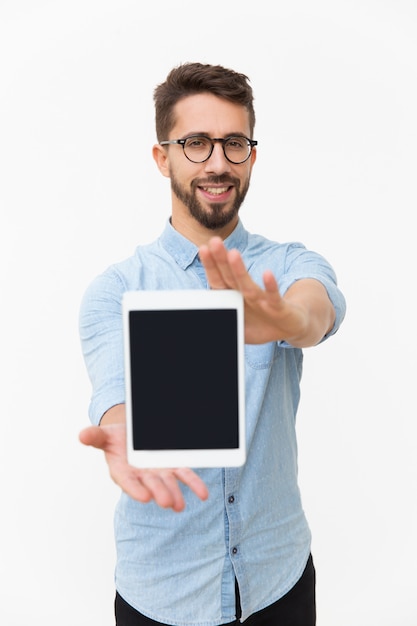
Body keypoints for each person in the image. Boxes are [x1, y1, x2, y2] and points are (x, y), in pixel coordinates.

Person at [79, 62, 346, 626]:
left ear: (252, 154)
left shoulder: (289, 264)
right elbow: (113, 387)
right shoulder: (117, 289)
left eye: (234, 143)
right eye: (196, 143)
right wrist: (122, 429)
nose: (218, 163)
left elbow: (313, 313)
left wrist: (283, 319)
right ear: (163, 157)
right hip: (163, 592)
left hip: (278, 580)